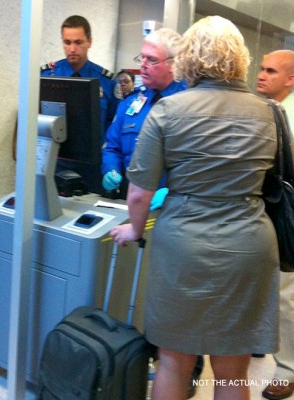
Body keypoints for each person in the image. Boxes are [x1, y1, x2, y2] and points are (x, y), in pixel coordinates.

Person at [110, 16, 280, 400]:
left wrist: (135, 230)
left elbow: (139, 191)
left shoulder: (168, 112)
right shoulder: (269, 113)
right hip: (248, 245)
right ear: (240, 58)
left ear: (188, 57)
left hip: (183, 246)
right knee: (233, 368)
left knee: (173, 360)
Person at [255, 49, 294, 400]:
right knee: (255, 286)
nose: (261, 75)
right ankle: (257, 340)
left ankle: (289, 369)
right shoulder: (254, 110)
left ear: (291, 78)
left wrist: (287, 178)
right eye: (260, 68)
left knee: (287, 293)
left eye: (271, 71)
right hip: (254, 211)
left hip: (285, 214)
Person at [100, 28, 187, 201]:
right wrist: (111, 169)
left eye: (152, 59)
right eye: (142, 57)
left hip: (172, 206)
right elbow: (112, 147)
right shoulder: (131, 103)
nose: (143, 64)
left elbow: (197, 162)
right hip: (129, 200)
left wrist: (172, 190)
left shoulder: (190, 103)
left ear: (173, 64)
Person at [41, 15, 116, 139]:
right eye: (67, 42)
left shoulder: (106, 81)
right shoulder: (46, 77)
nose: (72, 49)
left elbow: (113, 125)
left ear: (89, 41)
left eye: (78, 42)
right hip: (56, 154)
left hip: (93, 154)